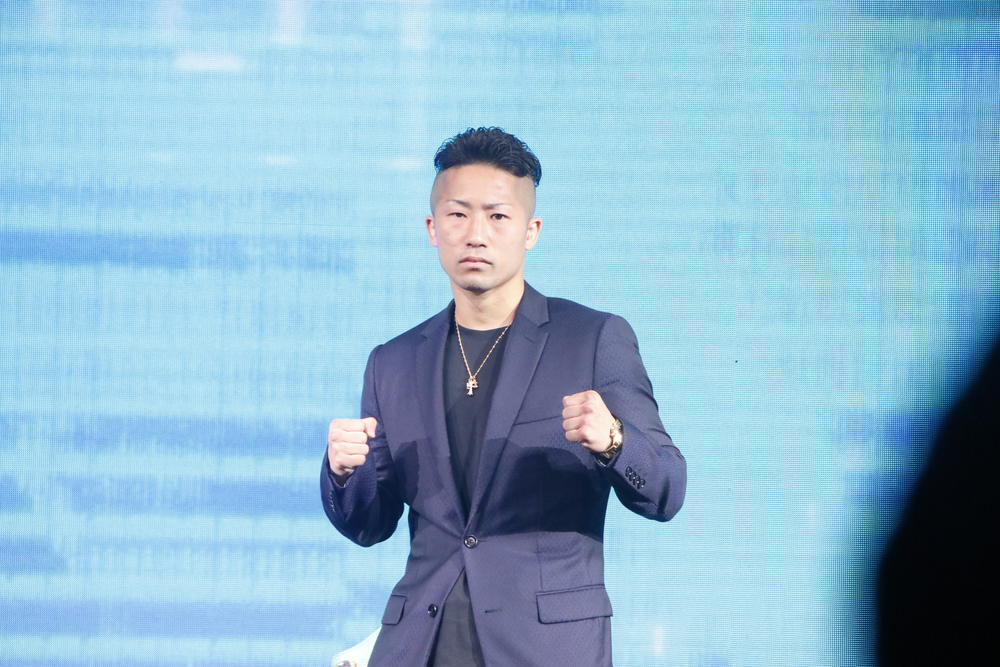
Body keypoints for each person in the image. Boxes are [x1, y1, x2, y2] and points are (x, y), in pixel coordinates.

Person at [321, 127, 686, 666]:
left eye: (497, 216)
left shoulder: (591, 339)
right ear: (432, 228)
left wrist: (613, 440)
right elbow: (369, 525)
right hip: (422, 646)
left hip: (546, 648)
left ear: (530, 231)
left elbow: (667, 490)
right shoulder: (392, 362)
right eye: (458, 214)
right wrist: (343, 472)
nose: (476, 235)